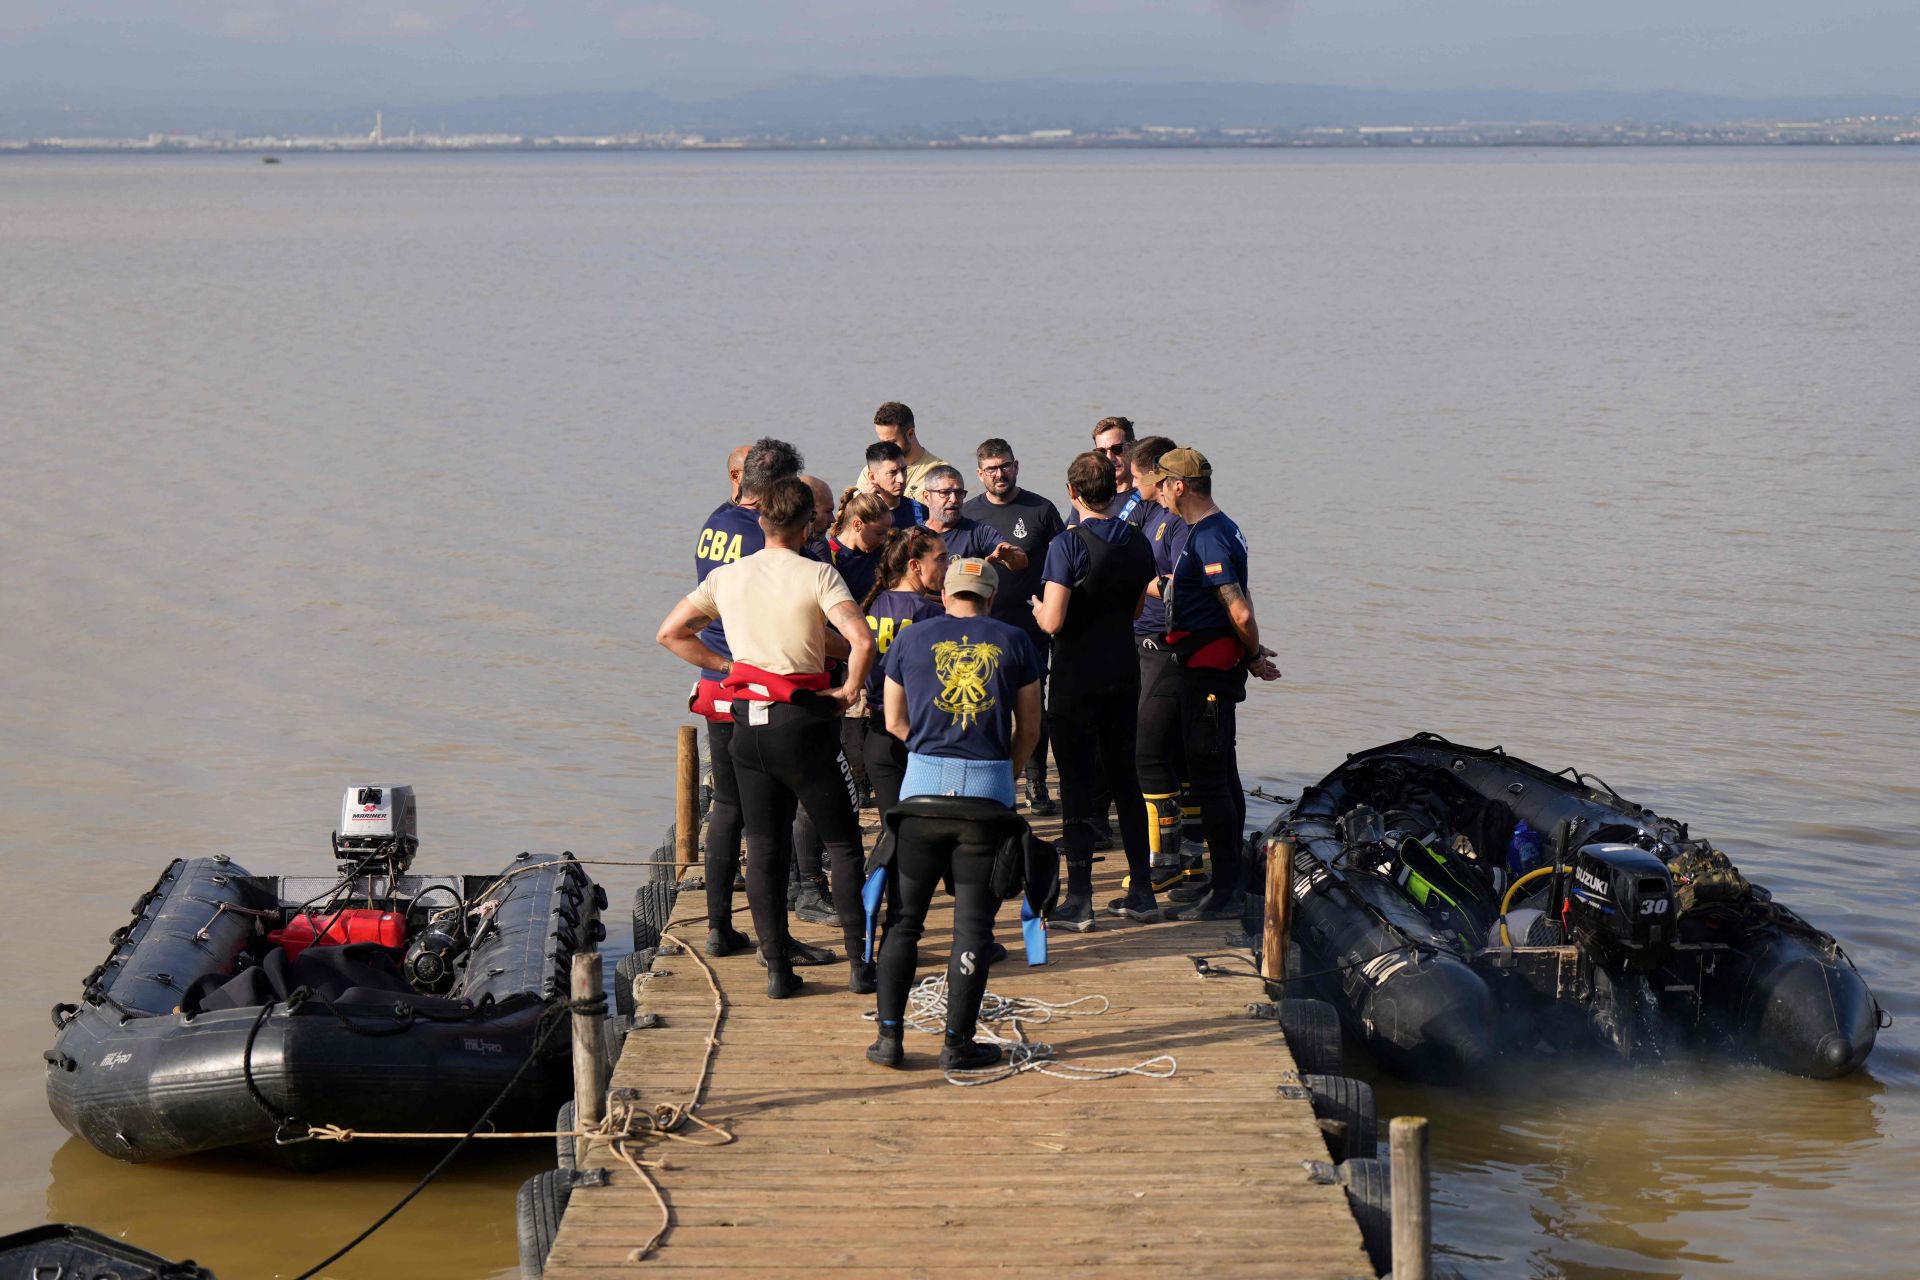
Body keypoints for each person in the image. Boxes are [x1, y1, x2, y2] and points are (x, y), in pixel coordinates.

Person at [658, 474, 878, 998]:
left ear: (761, 521)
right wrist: (849, 691)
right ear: (807, 526)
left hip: (745, 726)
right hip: (801, 725)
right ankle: (858, 965)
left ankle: (779, 970)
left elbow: (669, 633)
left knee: (762, 845)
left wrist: (726, 664)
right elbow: (862, 641)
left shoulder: (727, 578)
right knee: (844, 843)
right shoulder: (818, 575)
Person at [869, 556, 1043, 1070]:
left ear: (944, 595)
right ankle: (957, 1044)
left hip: (918, 797)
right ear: (990, 598)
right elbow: (1030, 730)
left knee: (902, 924)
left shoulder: (908, 640)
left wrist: (931, 757)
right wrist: (1000, 777)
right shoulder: (1016, 641)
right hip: (986, 800)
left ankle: (889, 1040)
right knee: (973, 929)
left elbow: (895, 721)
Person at [1133, 446, 1282, 921]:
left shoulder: (1210, 536)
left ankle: (1225, 892)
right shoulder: (1219, 528)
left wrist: (1254, 653)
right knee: (1220, 774)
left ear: (1180, 487)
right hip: (1206, 664)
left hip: (1208, 672)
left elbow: (1238, 608)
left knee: (1212, 781)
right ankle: (1227, 880)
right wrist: (1251, 653)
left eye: (1162, 484)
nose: (1158, 491)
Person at [686, 438, 805, 954]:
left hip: (715, 677)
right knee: (768, 819)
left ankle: (718, 927)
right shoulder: (763, 538)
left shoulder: (715, 521)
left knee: (728, 809)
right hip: (755, 682)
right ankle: (774, 942)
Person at [1031, 451, 1158, 930]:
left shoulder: (1067, 545)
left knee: (1078, 784)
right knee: (1125, 780)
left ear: (1072, 493)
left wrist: (1037, 604)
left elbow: (1055, 620)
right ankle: (1141, 892)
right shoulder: (1138, 540)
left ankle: (1080, 898)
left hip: (1076, 676)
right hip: (1124, 670)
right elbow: (1129, 611)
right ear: (1115, 488)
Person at [964, 438, 1065, 816]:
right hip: (983, 630)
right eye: (991, 469)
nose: (999, 474)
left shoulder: (1041, 509)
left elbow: (1063, 563)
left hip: (1031, 627)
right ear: (980, 474)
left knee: (1031, 708)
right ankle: (985, 781)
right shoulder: (970, 514)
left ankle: (1036, 782)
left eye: (1005, 465)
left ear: (1016, 466)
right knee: (983, 705)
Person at [1125, 436, 1201, 903]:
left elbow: (1179, 587)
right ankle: (1183, 856)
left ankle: (1169, 863)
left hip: (1166, 646)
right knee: (1170, 751)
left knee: (1150, 753)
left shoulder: (1178, 524)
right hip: (1144, 641)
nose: (1132, 486)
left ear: (1159, 476)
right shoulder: (1147, 512)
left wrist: (1132, 581)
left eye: (1137, 479)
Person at [858, 529, 949, 826]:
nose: (947, 566)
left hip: (876, 735)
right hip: (916, 737)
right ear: (915, 566)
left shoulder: (872, 603)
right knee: (926, 832)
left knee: (893, 832)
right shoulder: (930, 615)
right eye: (941, 559)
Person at [917, 464, 1027, 571]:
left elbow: (1019, 563)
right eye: (945, 492)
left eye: (959, 493)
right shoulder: (914, 536)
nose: (954, 500)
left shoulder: (979, 533)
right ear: (927, 497)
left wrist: (1010, 556)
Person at [856, 401, 947, 504]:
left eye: (891, 442)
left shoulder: (940, 472)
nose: (886, 448)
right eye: (882, 442)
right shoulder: (871, 471)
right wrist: (864, 503)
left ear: (910, 434)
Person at [1069, 417, 1150, 527]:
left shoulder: (1148, 494)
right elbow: (1071, 533)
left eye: (1116, 449)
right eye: (1101, 451)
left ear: (1134, 446)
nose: (1109, 457)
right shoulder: (1089, 493)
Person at [862, 440, 928, 530]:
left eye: (904, 469)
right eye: (892, 472)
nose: (901, 479)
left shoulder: (921, 512)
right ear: (872, 477)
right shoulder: (860, 515)